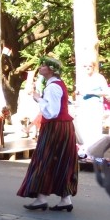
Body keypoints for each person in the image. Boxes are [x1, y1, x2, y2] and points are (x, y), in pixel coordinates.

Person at [17, 57, 78, 211]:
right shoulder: (56, 85)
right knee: (60, 161)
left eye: (43, 65)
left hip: (55, 128)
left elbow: (51, 112)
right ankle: (65, 199)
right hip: (62, 127)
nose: (40, 67)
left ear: (51, 69)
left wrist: (38, 98)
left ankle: (42, 198)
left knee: (45, 160)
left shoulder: (53, 87)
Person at [75, 60, 109, 157]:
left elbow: (106, 92)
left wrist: (91, 92)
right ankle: (85, 152)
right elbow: (79, 91)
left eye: (90, 66)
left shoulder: (99, 78)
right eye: (85, 66)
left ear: (93, 67)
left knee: (94, 129)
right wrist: (78, 92)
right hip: (83, 106)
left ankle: (94, 153)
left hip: (95, 105)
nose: (87, 68)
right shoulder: (82, 78)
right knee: (83, 128)